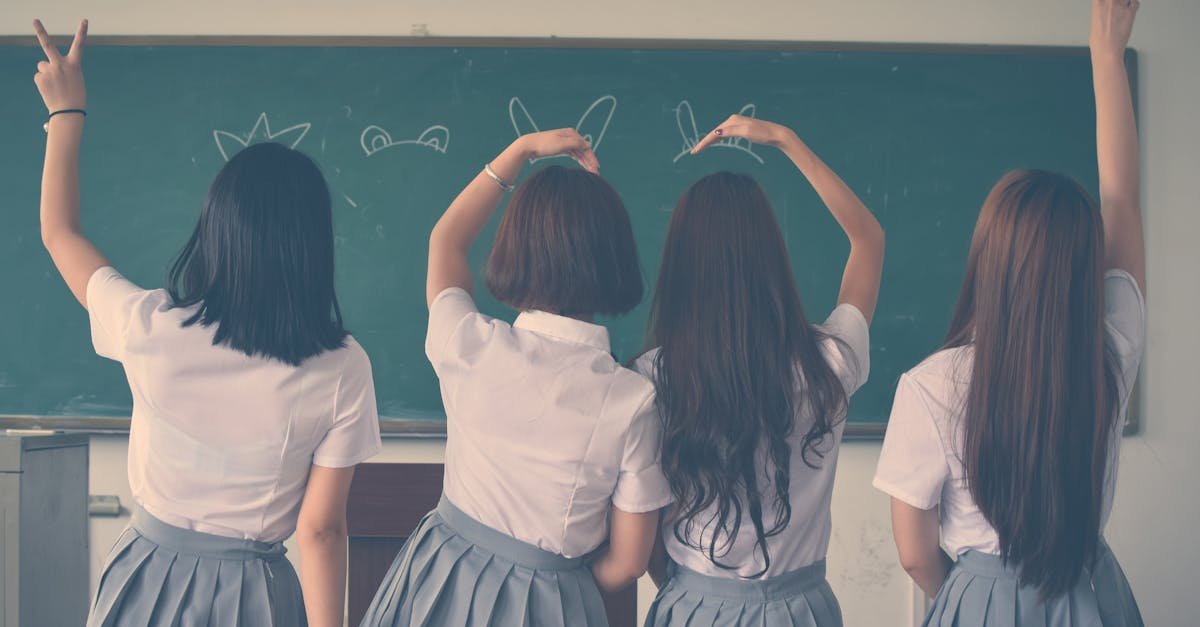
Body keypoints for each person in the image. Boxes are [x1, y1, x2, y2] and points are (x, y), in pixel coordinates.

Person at [32, 19, 381, 627]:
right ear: (314, 247)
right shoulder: (342, 366)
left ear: (216, 233)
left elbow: (60, 234)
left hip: (144, 576)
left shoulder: (151, 328)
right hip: (258, 592)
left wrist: (67, 112)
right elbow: (321, 530)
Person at [873, 1, 1145, 624]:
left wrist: (977, 592)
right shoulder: (1111, 351)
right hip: (1093, 595)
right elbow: (1122, 200)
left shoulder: (931, 385)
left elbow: (915, 555)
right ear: (1085, 270)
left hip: (980, 599)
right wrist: (1108, 56)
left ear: (988, 263)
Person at [360, 131, 672, 626]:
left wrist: (521, 150)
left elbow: (447, 239)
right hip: (554, 600)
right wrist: (557, 582)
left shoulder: (467, 342)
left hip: (438, 580)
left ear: (515, 247)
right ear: (613, 258)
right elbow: (629, 562)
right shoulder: (632, 399)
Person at [639, 115, 885, 626]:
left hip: (692, 607)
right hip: (803, 611)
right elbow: (868, 240)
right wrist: (786, 140)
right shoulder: (829, 362)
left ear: (681, 268)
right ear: (773, 257)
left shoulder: (652, 379)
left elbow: (645, 535)